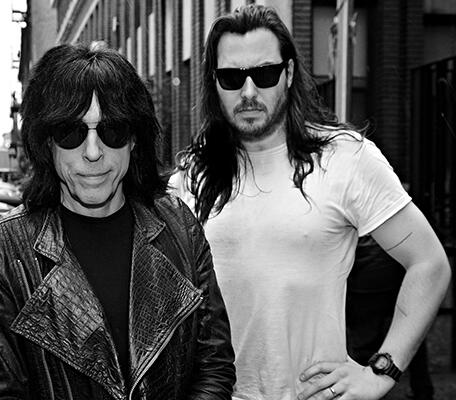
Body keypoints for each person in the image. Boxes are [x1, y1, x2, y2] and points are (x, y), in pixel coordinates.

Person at [169, 4, 451, 400]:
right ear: (214, 83)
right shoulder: (192, 177)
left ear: (288, 74)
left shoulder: (345, 157)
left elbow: (430, 264)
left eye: (264, 74)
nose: (248, 92)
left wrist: (381, 371)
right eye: (231, 77)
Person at [0, 43, 235, 399]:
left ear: (134, 139)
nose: (93, 152)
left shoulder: (179, 225)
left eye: (112, 130)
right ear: (47, 143)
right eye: (71, 132)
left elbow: (214, 365)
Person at [347, 236, 435, 400]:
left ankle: (366, 392)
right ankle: (422, 390)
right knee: (411, 332)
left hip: (368, 271)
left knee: (365, 340)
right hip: (399, 268)